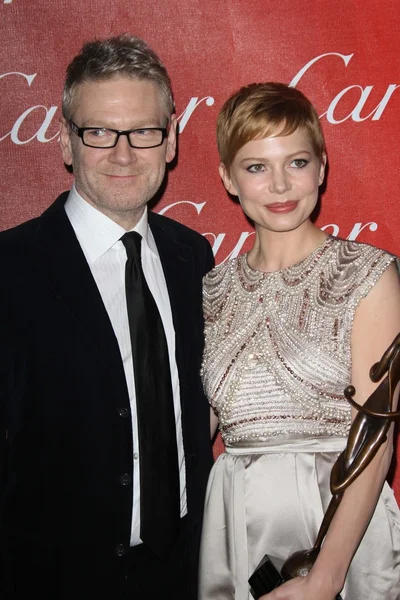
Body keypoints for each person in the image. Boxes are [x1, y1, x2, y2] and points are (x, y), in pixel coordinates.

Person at [0, 34, 214, 599]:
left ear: (170, 140)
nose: (123, 154)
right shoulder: (9, 270)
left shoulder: (194, 257)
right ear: (67, 143)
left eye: (143, 131)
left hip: (185, 573)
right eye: (98, 132)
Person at [198, 82, 400, 600]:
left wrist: (325, 578)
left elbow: (375, 438)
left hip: (338, 536)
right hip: (233, 527)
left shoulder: (369, 275)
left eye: (297, 161)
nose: (281, 185)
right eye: (257, 167)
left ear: (323, 166)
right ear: (227, 178)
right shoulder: (210, 288)